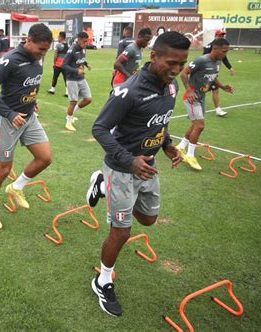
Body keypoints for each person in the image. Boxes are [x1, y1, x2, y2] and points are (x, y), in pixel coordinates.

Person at [88, 31, 190, 316]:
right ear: (154, 56)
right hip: (122, 167)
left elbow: (160, 122)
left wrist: (166, 144)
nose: (176, 70)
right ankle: (103, 279)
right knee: (121, 232)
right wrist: (128, 160)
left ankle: (102, 187)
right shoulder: (129, 91)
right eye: (171, 62)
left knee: (148, 219)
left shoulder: (170, 87)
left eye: (181, 64)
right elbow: (99, 129)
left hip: (148, 167)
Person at [0, 23, 53, 230]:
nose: (43, 54)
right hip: (7, 120)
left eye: (46, 50)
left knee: (45, 158)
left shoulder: (37, 58)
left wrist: (31, 100)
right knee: (3, 169)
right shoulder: (10, 60)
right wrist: (10, 113)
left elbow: (30, 83)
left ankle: (16, 187)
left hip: (29, 117)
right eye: (41, 49)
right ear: (28, 40)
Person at [175, 38, 234, 171]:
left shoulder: (217, 62)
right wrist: (189, 90)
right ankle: (190, 156)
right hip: (191, 98)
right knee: (200, 126)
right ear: (215, 48)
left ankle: (181, 146)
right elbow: (184, 73)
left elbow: (213, 77)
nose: (225, 54)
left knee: (195, 124)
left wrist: (223, 86)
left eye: (227, 51)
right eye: (224, 51)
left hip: (201, 97)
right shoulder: (201, 60)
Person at [62, 31, 92, 132]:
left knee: (88, 99)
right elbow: (64, 65)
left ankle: (71, 114)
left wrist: (87, 64)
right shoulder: (71, 50)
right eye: (84, 41)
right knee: (73, 101)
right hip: (72, 79)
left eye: (86, 41)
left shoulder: (82, 49)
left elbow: (81, 59)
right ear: (78, 40)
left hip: (81, 78)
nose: (85, 43)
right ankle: (68, 122)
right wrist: (76, 70)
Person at [202, 29, 235, 117]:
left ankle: (217, 109)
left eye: (222, 35)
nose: (221, 37)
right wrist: (207, 70)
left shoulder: (222, 48)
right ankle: (197, 104)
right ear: (216, 36)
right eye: (220, 35)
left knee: (215, 89)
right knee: (202, 90)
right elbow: (204, 59)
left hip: (214, 73)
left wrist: (230, 67)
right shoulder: (209, 46)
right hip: (207, 73)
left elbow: (224, 58)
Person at [47, 31, 68, 97]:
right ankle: (67, 91)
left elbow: (55, 55)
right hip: (65, 64)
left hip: (58, 64)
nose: (58, 38)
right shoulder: (68, 45)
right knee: (66, 78)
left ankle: (52, 89)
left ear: (61, 37)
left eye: (58, 37)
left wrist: (54, 63)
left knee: (55, 76)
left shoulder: (58, 45)